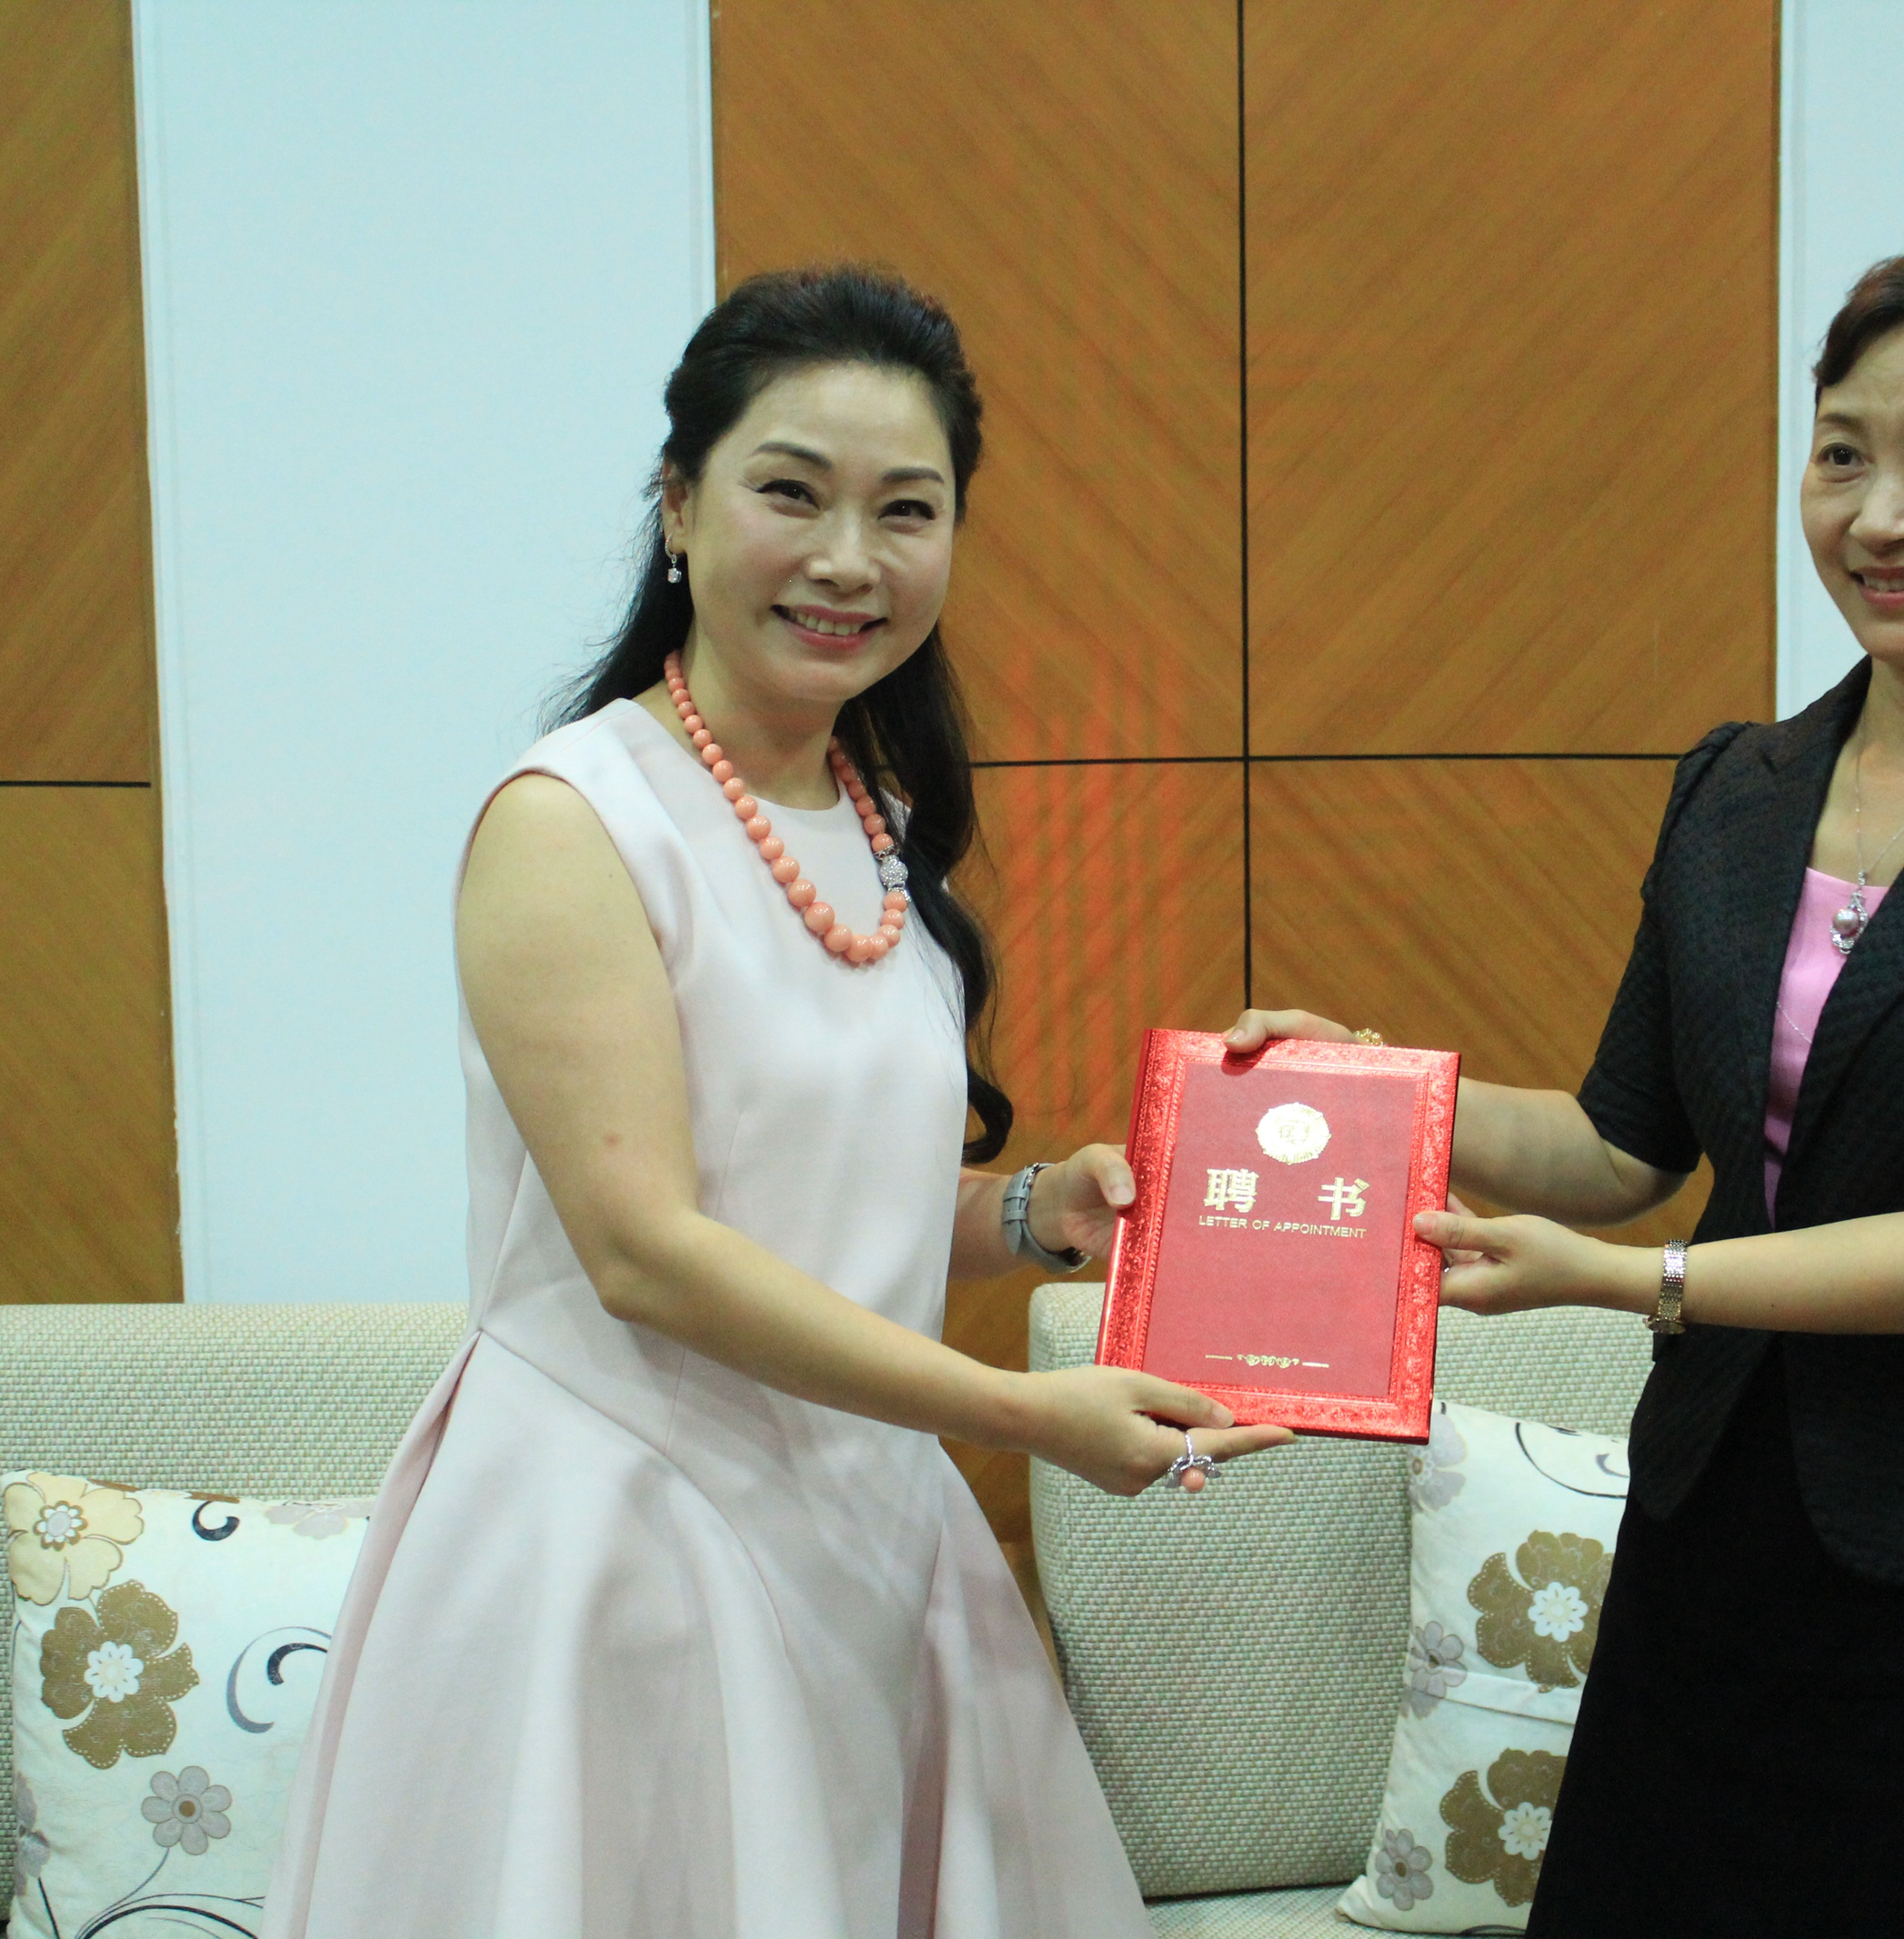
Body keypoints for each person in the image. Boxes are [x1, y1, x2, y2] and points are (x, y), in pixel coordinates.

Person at [263, 266, 1288, 1938]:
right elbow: (648, 1252)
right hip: (624, 1550)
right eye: (791, 492)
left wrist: (1033, 1214)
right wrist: (1022, 1414)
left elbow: (820, 1208)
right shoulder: (572, 819)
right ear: (679, 504)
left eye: (906, 510)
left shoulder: (878, 819)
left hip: (860, 1530)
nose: (848, 560)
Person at [1233, 246, 1904, 1936]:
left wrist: (1637, 1283)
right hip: (1715, 1543)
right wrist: (1375, 1094)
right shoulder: (1738, 789)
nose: (1880, 515)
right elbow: (1620, 1141)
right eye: (1842, 453)